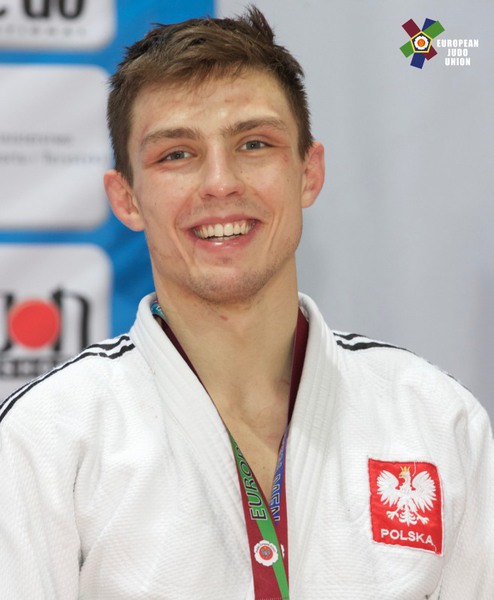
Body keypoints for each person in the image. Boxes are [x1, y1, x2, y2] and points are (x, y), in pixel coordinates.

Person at [0, 7, 493, 599]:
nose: (220, 183)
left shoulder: (436, 420)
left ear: (309, 172)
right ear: (126, 198)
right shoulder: (47, 438)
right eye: (176, 154)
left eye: (254, 144)